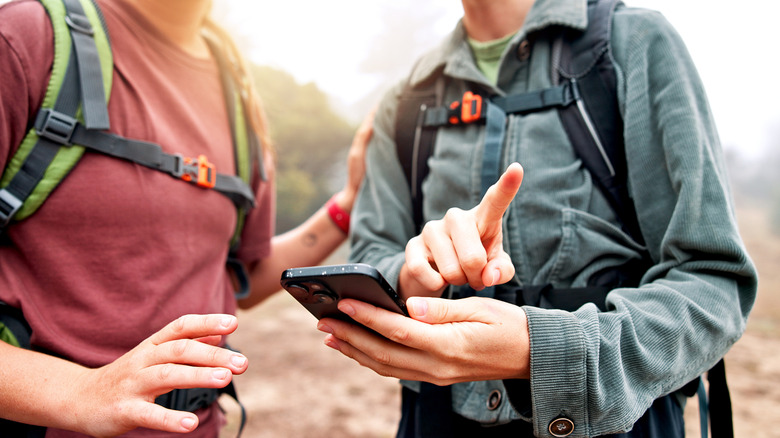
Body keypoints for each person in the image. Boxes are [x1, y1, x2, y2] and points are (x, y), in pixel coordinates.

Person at [317, 0, 758, 436]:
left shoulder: (633, 44)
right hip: (431, 418)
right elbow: (371, 258)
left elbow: (712, 282)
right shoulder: (407, 99)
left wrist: (544, 351)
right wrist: (413, 278)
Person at [0, 0, 371, 436]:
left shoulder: (236, 86)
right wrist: (83, 389)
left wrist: (347, 203)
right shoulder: (26, 40)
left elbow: (242, 277)